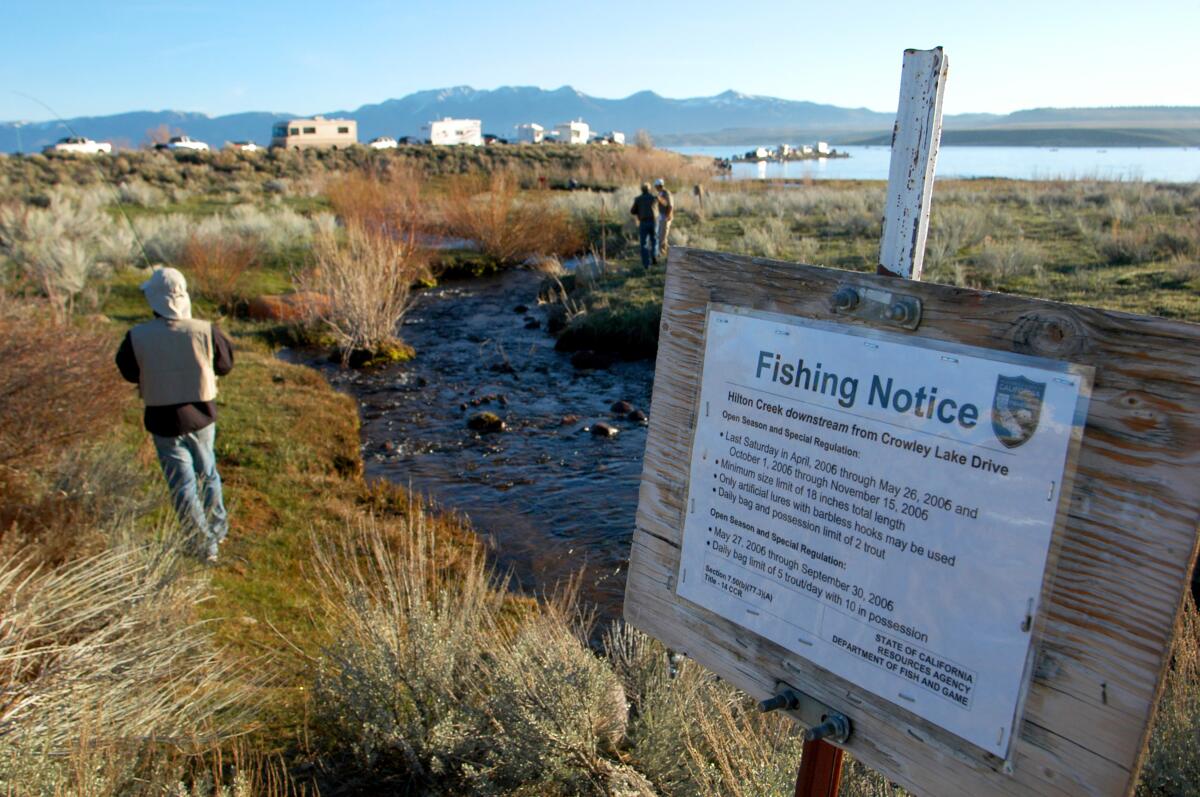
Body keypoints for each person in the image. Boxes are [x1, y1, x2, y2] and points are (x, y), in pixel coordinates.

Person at [116, 267, 234, 563]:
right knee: (207, 473)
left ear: (154, 299)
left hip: (163, 418)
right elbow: (225, 365)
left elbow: (129, 372)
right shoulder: (206, 330)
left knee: (183, 483)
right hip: (202, 415)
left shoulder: (136, 336)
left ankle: (202, 544)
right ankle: (217, 532)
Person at [630, 182, 658, 268]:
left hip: (643, 222)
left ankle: (646, 264)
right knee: (654, 240)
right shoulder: (653, 198)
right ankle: (654, 255)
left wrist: (639, 210)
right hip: (653, 222)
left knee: (644, 244)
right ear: (649, 189)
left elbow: (632, 211)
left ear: (641, 190)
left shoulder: (638, 199)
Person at [655, 178, 674, 259]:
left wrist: (668, 216)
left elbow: (670, 205)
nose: (655, 188)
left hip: (665, 217)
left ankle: (663, 254)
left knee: (662, 237)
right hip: (662, 216)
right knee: (661, 236)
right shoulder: (661, 193)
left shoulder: (666, 193)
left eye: (656, 186)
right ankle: (666, 254)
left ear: (658, 186)